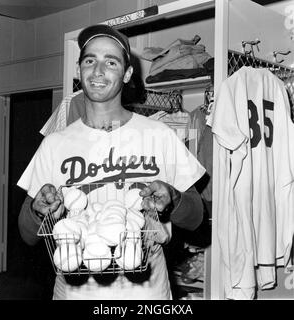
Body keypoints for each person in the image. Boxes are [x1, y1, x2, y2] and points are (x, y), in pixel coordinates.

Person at [17, 24, 206, 300]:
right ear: (79, 70)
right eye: (90, 60)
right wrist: (37, 211)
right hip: (75, 291)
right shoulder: (55, 144)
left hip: (146, 291)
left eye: (111, 62)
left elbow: (196, 217)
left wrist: (174, 198)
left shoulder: (159, 135)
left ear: (128, 74)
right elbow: (28, 234)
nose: (98, 70)